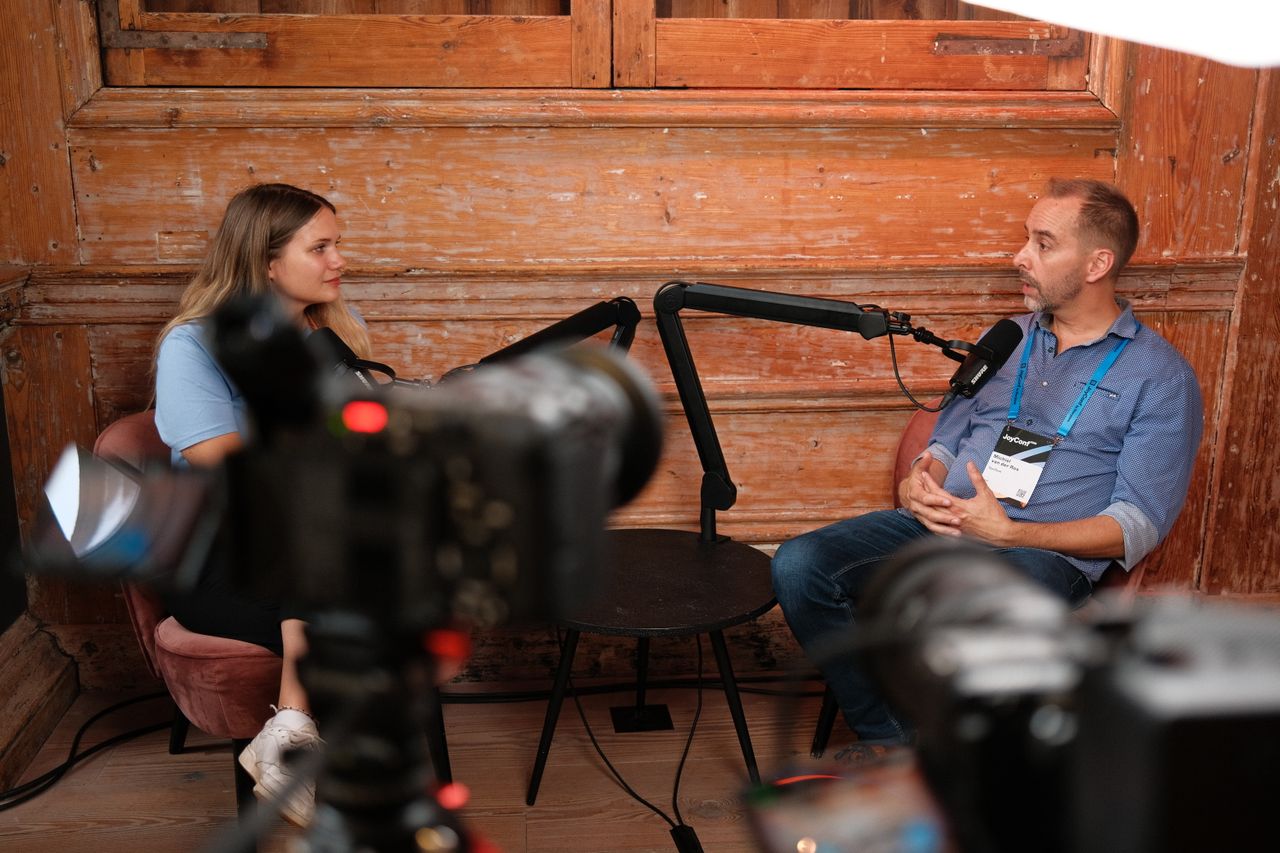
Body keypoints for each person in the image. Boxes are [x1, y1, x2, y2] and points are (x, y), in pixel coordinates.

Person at [771, 178, 1203, 750]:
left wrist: (1010, 532)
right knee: (802, 564)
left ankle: (973, 766)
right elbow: (946, 440)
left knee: (971, 609)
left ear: (1098, 262)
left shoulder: (1161, 376)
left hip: (1040, 556)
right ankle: (896, 743)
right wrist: (917, 482)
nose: (1020, 257)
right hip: (942, 526)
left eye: (1043, 244)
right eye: (1026, 239)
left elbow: (1137, 525)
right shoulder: (1005, 339)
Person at [154, 182, 370, 826]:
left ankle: (289, 738)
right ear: (267, 262)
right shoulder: (191, 347)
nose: (340, 261)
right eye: (322, 247)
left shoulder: (325, 341)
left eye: (338, 245)